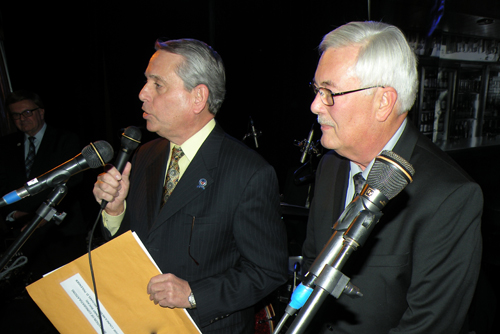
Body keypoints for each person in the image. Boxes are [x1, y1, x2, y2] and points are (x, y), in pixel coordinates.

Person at [92, 38, 288, 334]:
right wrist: (116, 210)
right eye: (146, 82)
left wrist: (194, 294)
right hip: (140, 322)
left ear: (198, 98)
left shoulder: (249, 172)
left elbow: (268, 272)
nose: (142, 93)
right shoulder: (145, 154)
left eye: (157, 85)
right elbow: (132, 247)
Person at [301, 22, 482, 333]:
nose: (316, 105)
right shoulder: (330, 166)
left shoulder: (450, 196)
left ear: (383, 101)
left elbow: (429, 326)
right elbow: (311, 266)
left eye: (329, 92)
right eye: (316, 90)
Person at [0, 90, 87, 279]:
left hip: (62, 234)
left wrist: (41, 217)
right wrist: (14, 214)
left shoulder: (64, 139)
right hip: (25, 237)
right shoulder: (6, 146)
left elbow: (73, 183)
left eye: (27, 113)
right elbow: (3, 185)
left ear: (41, 112)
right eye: (16, 115)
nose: (22, 119)